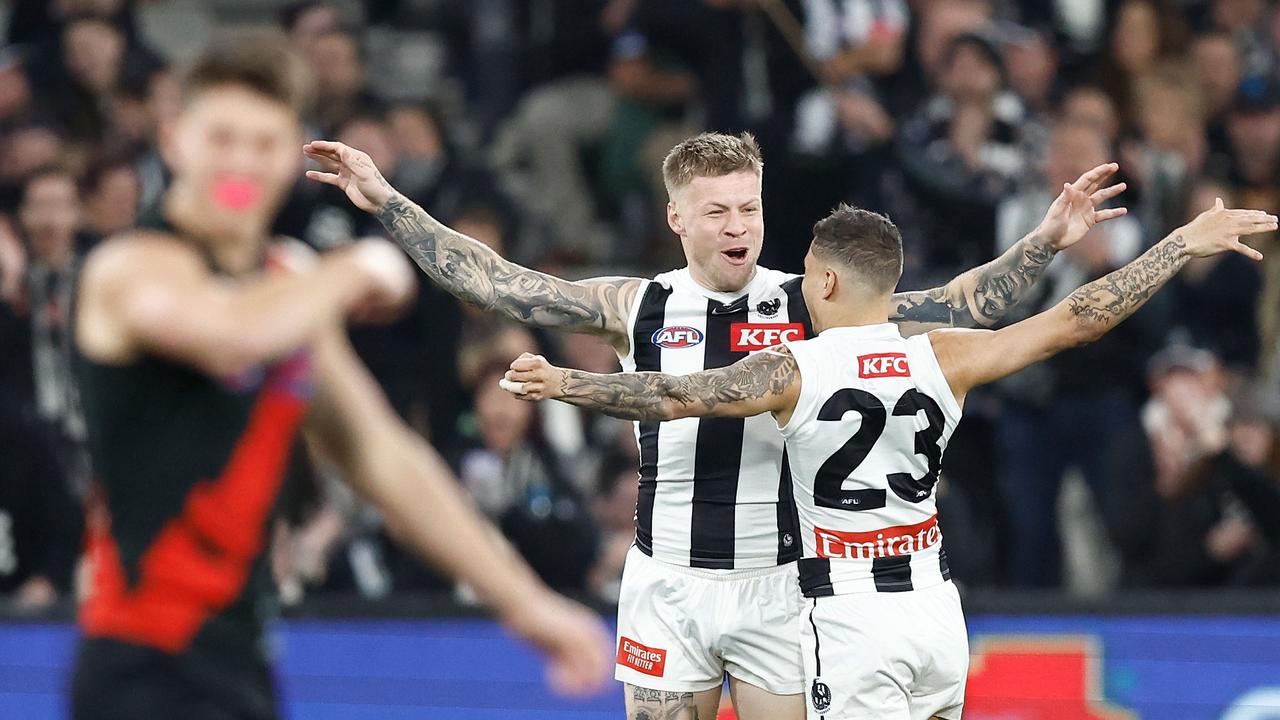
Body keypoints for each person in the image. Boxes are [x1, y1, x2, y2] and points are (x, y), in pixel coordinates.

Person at [305, 130, 1124, 719]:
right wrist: (387, 201)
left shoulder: (814, 301)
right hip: (667, 584)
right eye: (718, 212)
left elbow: (961, 303)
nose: (738, 226)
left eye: (749, 207)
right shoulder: (638, 303)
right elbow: (496, 283)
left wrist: (1048, 238)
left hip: (781, 584)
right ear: (677, 221)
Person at [501, 198, 1275, 719]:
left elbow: (675, 395)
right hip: (935, 611)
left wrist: (568, 380)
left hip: (849, 614)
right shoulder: (947, 353)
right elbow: (1078, 318)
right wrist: (1179, 242)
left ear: (829, 279)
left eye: (806, 270)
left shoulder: (792, 368)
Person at [68, 32, 609, 720]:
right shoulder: (132, 266)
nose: (241, 161)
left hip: (241, 661)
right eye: (221, 138)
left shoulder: (286, 287)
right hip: (141, 662)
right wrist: (359, 265)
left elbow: (382, 455)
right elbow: (231, 337)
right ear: (174, 139)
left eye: (263, 143)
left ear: (293, 146)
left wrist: (526, 604)